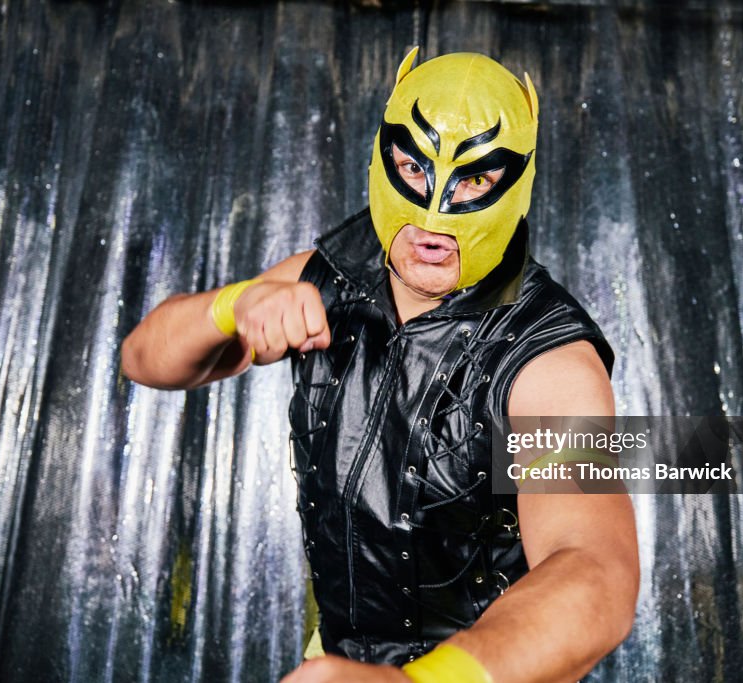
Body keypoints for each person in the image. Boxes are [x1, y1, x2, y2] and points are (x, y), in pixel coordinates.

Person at [121, 47, 639, 683]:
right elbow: (144, 357)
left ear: (516, 184)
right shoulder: (330, 277)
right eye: (412, 167)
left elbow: (593, 570)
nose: (432, 214)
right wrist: (234, 305)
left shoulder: (547, 359)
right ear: (383, 155)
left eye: (474, 180)